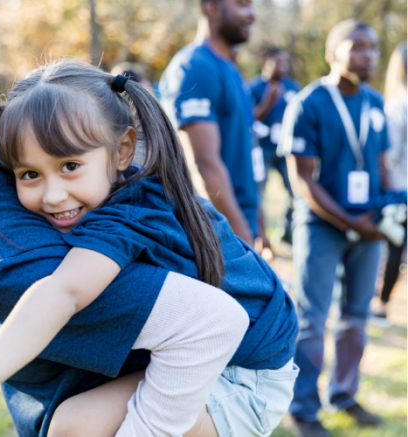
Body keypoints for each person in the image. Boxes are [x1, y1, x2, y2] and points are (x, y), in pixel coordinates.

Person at [0, 17, 290, 437]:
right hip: (244, 330)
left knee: (72, 429)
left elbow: (206, 322)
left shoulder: (9, 256)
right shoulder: (23, 147)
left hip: (242, 364)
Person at [279, 19, 389, 437]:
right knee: (312, 318)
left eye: (374, 47)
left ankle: (343, 393)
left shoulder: (375, 102)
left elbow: (380, 166)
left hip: (368, 226)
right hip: (322, 225)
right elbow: (302, 180)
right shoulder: (308, 103)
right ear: (332, 53)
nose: (368, 55)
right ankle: (303, 409)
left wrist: (389, 210)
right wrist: (349, 221)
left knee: (357, 317)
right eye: (357, 46)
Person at [159, 0, 263, 249]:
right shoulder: (196, 68)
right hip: (218, 235)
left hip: (239, 225)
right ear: (212, 7)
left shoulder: (229, 67)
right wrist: (242, 242)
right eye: (242, 5)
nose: (253, 14)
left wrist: (257, 224)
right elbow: (204, 164)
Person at [371, 42, 407, 322]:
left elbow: (390, 154)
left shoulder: (397, 106)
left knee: (392, 246)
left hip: (398, 188)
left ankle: (381, 306)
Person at [249, 47, 301, 244]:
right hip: (263, 149)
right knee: (259, 191)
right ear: (265, 64)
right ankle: (258, 234)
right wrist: (268, 102)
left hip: (287, 149)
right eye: (277, 62)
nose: (283, 67)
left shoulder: (293, 87)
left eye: (285, 62)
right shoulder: (253, 88)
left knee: (295, 189)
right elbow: (250, 120)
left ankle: (287, 231)